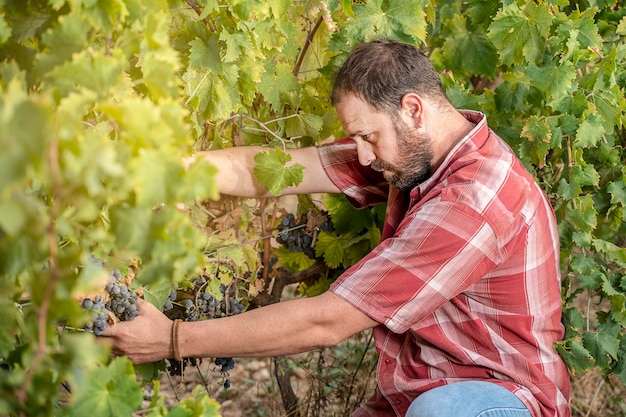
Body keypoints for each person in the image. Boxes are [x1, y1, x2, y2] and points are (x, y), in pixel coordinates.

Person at [102, 39, 571, 417]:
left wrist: (172, 339)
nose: (364, 155)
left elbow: (327, 321)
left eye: (368, 136)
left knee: (441, 410)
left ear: (413, 109)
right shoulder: (414, 155)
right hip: (423, 389)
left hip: (497, 399)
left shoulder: (471, 202)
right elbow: (271, 170)